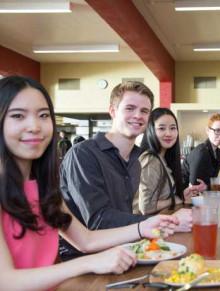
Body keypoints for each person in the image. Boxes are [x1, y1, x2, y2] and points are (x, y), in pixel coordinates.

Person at [0, 76, 178, 290]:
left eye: (43, 115)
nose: (35, 126)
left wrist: (146, 226)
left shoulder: (44, 186)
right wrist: (90, 263)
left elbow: (86, 240)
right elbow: (5, 281)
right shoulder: (83, 154)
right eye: (18, 116)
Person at [59, 81, 191, 260]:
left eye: (144, 111)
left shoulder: (137, 158)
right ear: (112, 111)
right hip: (82, 260)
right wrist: (163, 223)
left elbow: (127, 214)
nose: (138, 115)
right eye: (130, 108)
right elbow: (98, 221)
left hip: (122, 251)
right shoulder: (83, 154)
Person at [133, 108, 206, 215]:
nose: (168, 133)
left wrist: (182, 195)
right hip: (146, 227)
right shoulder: (150, 160)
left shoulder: (163, 158)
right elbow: (146, 207)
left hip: (161, 221)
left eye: (173, 128)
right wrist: (175, 200)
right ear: (151, 130)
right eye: (162, 128)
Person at [182, 113, 220, 189]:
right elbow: (195, 187)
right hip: (185, 196)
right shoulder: (201, 153)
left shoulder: (218, 153)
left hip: (206, 196)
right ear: (207, 130)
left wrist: (208, 187)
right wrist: (208, 187)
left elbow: (211, 181)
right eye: (217, 130)